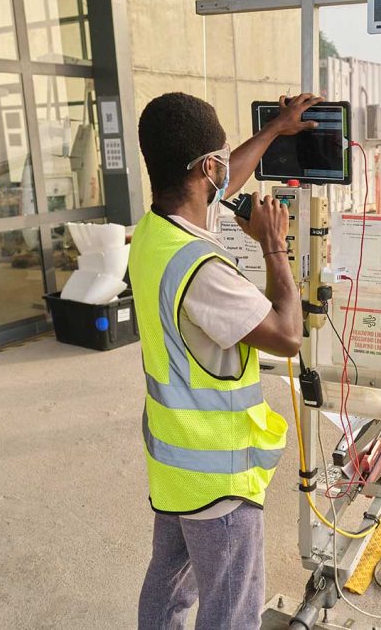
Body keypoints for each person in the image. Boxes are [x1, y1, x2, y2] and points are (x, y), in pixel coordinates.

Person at [130, 92, 321, 629]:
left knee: (167, 589)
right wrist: (274, 246)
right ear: (206, 166)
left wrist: (275, 129)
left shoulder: (153, 232)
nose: (226, 169)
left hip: (174, 463)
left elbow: (224, 181)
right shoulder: (203, 267)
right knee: (231, 610)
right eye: (222, 157)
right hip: (218, 477)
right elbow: (287, 336)